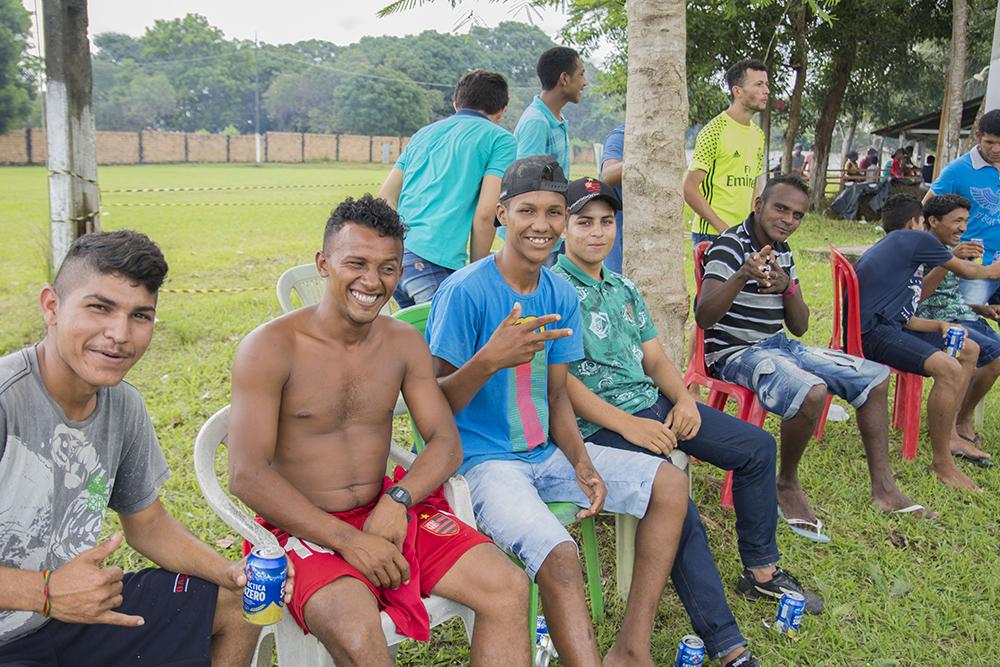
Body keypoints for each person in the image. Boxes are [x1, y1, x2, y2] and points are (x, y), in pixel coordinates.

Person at [428, 157, 762, 667]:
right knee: (562, 557)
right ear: (501, 214)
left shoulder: (560, 292)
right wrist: (490, 360)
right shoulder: (465, 291)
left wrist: (582, 462)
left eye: (554, 212)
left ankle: (631, 646)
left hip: (548, 453)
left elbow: (558, 395)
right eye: (527, 211)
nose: (541, 225)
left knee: (670, 484)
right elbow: (433, 406)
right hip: (484, 463)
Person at [228, 195, 530, 666]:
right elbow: (247, 474)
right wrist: (346, 540)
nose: (373, 282)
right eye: (356, 264)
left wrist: (398, 499)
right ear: (323, 264)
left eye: (388, 267)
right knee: (354, 631)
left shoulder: (402, 342)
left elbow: (445, 442)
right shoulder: (269, 348)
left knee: (509, 588)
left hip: (387, 511)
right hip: (301, 525)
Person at [554, 177, 824, 616]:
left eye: (606, 221)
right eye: (584, 222)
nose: (598, 232)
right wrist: (630, 425)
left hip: (654, 405)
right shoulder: (553, 290)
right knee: (676, 496)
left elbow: (656, 360)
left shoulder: (624, 288)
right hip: (599, 424)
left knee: (758, 447)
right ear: (563, 228)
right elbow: (560, 383)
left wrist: (681, 399)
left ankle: (761, 573)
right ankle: (718, 631)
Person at [0, 231, 263, 666]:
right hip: (28, 624)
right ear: (51, 306)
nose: (119, 334)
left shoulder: (123, 404)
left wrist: (231, 572)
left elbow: (148, 523)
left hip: (69, 617)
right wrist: (45, 591)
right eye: (99, 308)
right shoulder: (7, 399)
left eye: (140, 315)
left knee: (237, 604)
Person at [695, 176, 931, 543]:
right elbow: (704, 316)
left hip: (781, 345)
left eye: (797, 215)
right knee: (812, 391)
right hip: (735, 353)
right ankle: (786, 483)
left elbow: (801, 326)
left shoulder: (783, 250)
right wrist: (743, 274)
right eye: (780, 208)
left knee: (874, 376)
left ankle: (884, 489)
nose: (788, 219)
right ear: (758, 205)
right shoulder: (729, 246)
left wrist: (787, 286)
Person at [856, 193, 1000, 491]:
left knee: (967, 348)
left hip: (885, 326)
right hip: (873, 335)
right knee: (948, 368)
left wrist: (941, 325)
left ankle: (950, 436)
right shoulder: (915, 240)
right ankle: (942, 463)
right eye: (924, 221)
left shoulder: (897, 248)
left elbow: (903, 316)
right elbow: (973, 271)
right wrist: (991, 268)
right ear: (916, 222)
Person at [379, 70, 516, 307]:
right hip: (434, 262)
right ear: (502, 111)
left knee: (417, 339)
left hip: (395, 257)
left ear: (456, 104)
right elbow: (486, 214)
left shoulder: (423, 134)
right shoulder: (500, 140)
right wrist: (477, 274)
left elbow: (385, 198)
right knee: (452, 340)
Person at [916, 194, 999, 467]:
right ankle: (953, 426)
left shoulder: (950, 246)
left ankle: (958, 419)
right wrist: (948, 259)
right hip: (936, 321)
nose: (963, 227)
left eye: (965, 220)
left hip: (961, 314)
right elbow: (919, 297)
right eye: (957, 220)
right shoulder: (922, 247)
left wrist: (982, 308)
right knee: (994, 356)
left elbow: (951, 293)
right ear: (933, 221)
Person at [684, 59, 768, 245]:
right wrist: (724, 230)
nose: (766, 91)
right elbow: (689, 188)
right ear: (737, 91)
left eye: (766, 85)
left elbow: (754, 186)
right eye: (759, 85)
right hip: (712, 235)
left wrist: (754, 229)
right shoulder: (713, 131)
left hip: (744, 235)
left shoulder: (758, 135)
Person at [923, 109, 1000, 306]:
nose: (996, 149)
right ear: (977, 136)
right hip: (971, 265)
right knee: (964, 319)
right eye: (989, 142)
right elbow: (926, 209)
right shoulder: (957, 170)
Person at [513, 46, 586, 177]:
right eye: (581, 74)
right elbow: (526, 182)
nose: (585, 82)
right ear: (564, 78)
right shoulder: (536, 122)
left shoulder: (557, 119)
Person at [599, 123, 626, 273]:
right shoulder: (620, 136)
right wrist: (640, 158)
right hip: (619, 221)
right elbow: (607, 175)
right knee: (617, 277)